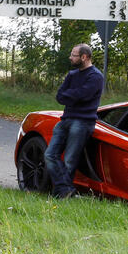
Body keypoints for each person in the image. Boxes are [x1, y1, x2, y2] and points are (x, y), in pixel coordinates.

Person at [44, 43, 104, 198]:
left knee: (70, 160)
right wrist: (74, 95)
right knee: (50, 155)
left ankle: (62, 194)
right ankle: (65, 190)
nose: (70, 58)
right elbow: (60, 96)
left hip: (83, 122)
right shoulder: (72, 75)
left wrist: (71, 95)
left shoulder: (95, 76)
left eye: (73, 55)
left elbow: (84, 95)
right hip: (65, 120)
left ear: (84, 57)